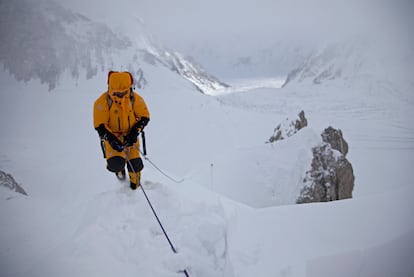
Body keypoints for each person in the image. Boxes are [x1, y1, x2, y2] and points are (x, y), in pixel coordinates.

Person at [93, 71, 150, 190]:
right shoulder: (102, 102)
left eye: (124, 92)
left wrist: (135, 131)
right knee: (116, 163)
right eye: (118, 93)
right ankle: (120, 173)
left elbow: (145, 116)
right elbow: (100, 125)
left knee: (135, 165)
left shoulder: (134, 99)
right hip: (112, 138)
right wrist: (111, 139)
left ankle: (135, 186)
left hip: (131, 137)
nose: (121, 95)